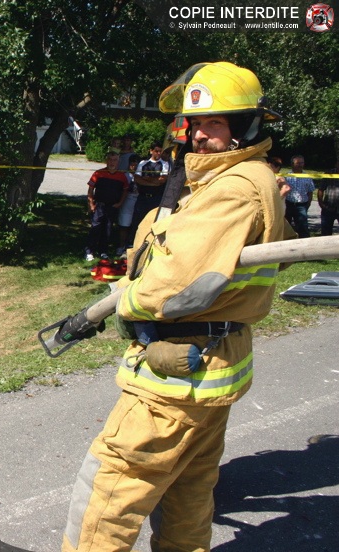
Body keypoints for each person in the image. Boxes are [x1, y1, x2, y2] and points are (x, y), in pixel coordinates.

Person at [63, 61, 295, 552]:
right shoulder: (245, 179)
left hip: (175, 380)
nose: (200, 135)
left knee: (108, 491)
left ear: (246, 126)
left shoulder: (233, 189)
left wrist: (121, 303)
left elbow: (173, 287)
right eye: (196, 124)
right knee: (188, 490)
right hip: (212, 370)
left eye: (215, 123)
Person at [84, 150, 129, 261]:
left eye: (115, 160)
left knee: (107, 229)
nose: (112, 162)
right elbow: (90, 189)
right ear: (106, 161)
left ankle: (103, 251)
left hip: (112, 207)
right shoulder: (98, 173)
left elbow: (125, 191)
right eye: (110, 160)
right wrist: (91, 204)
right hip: (99, 206)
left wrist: (120, 203)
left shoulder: (122, 176)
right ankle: (89, 251)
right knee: (95, 228)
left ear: (118, 162)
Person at [129, 141, 170, 242]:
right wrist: (153, 182)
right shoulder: (143, 163)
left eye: (160, 151)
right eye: (156, 151)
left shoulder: (164, 164)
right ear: (151, 151)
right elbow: (137, 178)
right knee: (137, 220)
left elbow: (162, 179)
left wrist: (146, 178)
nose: (158, 153)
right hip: (143, 197)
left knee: (154, 221)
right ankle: (132, 242)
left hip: (156, 198)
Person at [283, 154, 315, 238]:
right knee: (285, 227)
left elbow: (310, 191)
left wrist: (308, 204)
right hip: (288, 204)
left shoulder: (307, 176)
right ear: (292, 164)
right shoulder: (287, 176)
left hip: (301, 206)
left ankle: (305, 244)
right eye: (298, 163)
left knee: (303, 228)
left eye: (302, 163)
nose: (300, 165)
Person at [117, 154, 141, 255]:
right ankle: (121, 246)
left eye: (136, 164)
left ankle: (132, 246)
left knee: (136, 225)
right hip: (127, 202)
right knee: (124, 225)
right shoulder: (125, 175)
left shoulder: (143, 175)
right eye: (132, 164)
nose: (134, 166)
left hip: (138, 201)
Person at [317, 159, 339, 235]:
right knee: (326, 233)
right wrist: (321, 203)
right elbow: (321, 189)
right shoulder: (328, 173)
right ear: (336, 164)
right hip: (328, 207)